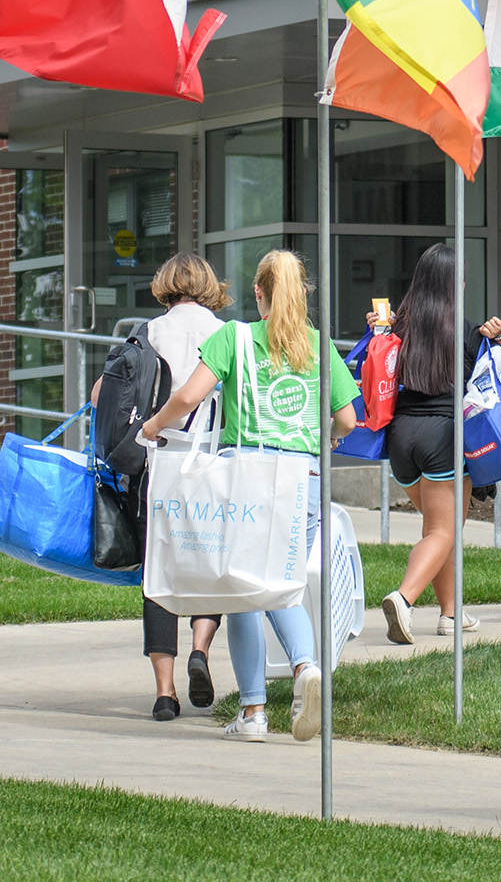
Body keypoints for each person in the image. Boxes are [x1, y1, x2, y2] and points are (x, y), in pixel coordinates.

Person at [138, 248, 358, 744]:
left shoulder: (234, 337)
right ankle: (304, 669)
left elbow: (190, 396)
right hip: (305, 480)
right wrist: (327, 440)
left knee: (245, 595)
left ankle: (255, 711)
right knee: (284, 584)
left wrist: (154, 425)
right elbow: (347, 418)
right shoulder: (318, 346)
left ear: (258, 292)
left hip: (250, 479)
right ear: (301, 295)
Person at [371, 243, 501, 644]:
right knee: (442, 532)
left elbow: (375, 369)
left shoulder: (397, 331)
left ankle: (451, 615)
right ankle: (403, 599)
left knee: (439, 530)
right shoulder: (469, 333)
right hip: (443, 437)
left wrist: (377, 330)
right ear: (456, 284)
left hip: (401, 440)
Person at [125, 254, 230, 721]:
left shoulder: (147, 333)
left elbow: (100, 396)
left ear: (165, 284)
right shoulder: (230, 335)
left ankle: (164, 693)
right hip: (210, 461)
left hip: (159, 461)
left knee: (158, 574)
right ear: (209, 286)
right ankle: (201, 649)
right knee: (211, 560)